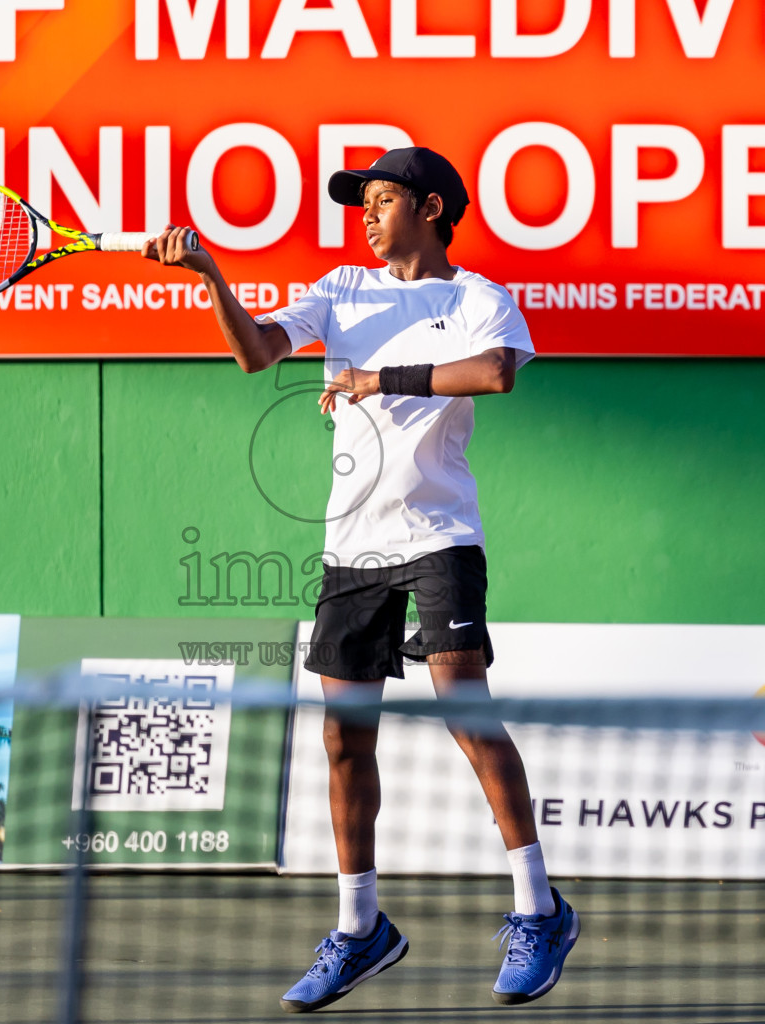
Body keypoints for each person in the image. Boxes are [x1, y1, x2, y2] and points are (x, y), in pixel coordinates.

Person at [145, 146, 577, 1012]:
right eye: (363, 203)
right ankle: (360, 928)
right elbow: (258, 353)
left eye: (382, 200)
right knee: (345, 739)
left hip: (442, 536)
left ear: (430, 207)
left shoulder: (477, 297)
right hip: (355, 548)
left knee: (466, 711)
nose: (367, 215)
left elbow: (493, 372)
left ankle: (540, 909)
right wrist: (209, 279)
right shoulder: (341, 289)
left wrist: (379, 378)